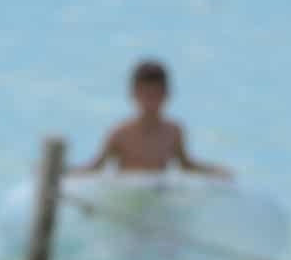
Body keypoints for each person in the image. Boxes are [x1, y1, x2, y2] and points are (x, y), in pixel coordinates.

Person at [69, 58, 231, 179]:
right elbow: (96, 167)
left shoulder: (173, 131)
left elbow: (186, 165)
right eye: (145, 94)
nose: (150, 101)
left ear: (166, 95)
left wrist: (214, 171)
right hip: (128, 198)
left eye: (155, 94)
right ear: (134, 94)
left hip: (156, 197)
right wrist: (67, 172)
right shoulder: (121, 132)